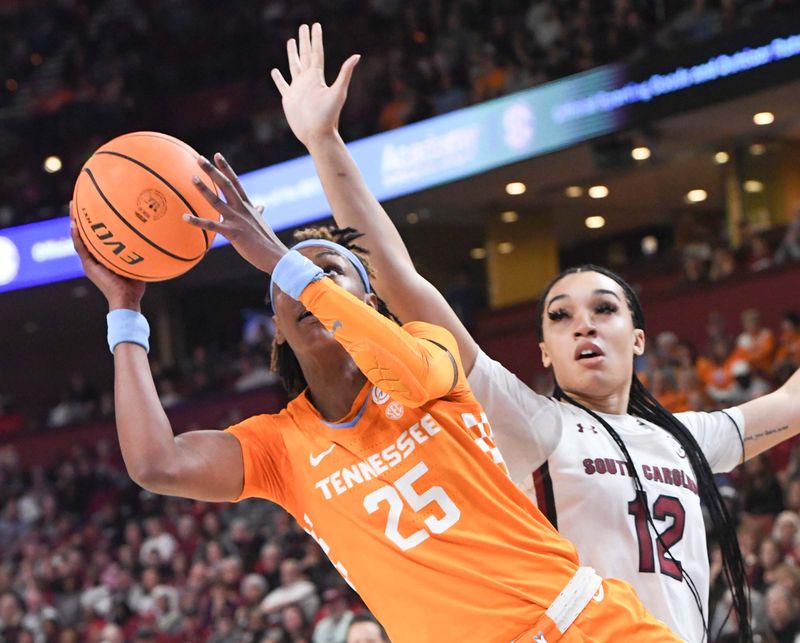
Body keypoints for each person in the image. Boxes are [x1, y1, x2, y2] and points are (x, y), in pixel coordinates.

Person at [70, 85, 677, 643]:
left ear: (370, 302)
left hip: (591, 626)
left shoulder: (430, 355)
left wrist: (282, 261)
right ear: (277, 335)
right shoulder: (280, 448)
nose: (307, 284)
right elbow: (157, 463)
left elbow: (403, 370)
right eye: (291, 283)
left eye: (331, 272)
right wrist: (125, 312)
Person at [271, 22, 800, 642]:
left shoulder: (684, 439)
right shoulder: (529, 420)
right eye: (561, 315)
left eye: (605, 309)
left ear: (638, 337)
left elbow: (790, 403)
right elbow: (398, 279)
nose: (584, 325)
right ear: (544, 352)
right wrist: (325, 141)